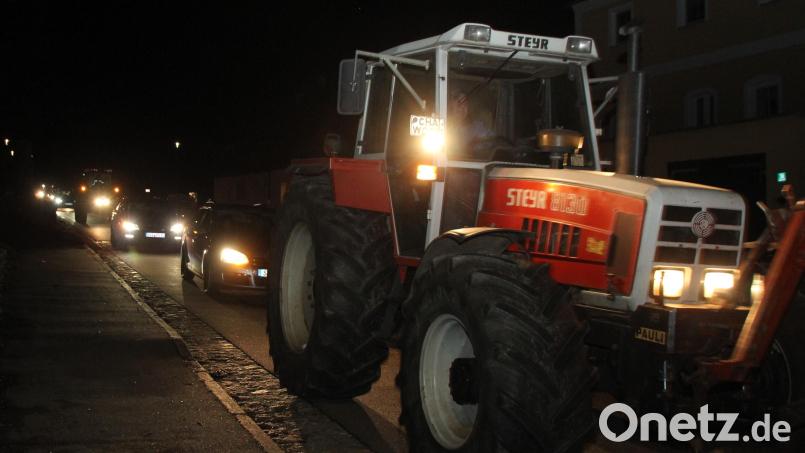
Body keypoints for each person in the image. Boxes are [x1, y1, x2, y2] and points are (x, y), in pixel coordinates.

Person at [448, 90, 496, 159]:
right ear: (450, 105)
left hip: (472, 165)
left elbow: (492, 140)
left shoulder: (477, 127)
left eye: (465, 104)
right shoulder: (441, 127)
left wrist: (475, 144)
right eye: (458, 103)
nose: (462, 108)